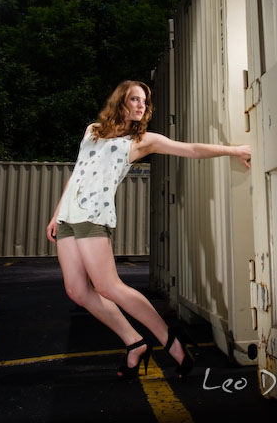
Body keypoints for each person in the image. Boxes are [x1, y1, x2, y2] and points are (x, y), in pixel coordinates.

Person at [46, 79, 251, 380]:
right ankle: (135, 342)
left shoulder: (141, 141)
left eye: (144, 101)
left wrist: (235, 150)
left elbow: (191, 149)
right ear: (121, 102)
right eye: (135, 100)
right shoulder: (92, 131)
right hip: (67, 218)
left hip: (93, 216)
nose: (142, 105)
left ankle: (172, 341)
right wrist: (55, 215)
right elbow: (77, 173)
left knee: (107, 287)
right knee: (76, 291)